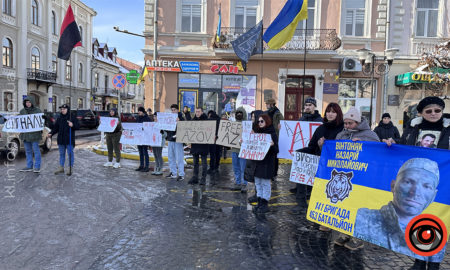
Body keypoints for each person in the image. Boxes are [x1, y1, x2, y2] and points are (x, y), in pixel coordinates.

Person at [384, 96, 449, 270]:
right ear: (421, 113)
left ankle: (434, 263)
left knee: (439, 221)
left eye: (437, 110)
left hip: (442, 181)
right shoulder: (413, 128)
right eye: (429, 111)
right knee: (419, 220)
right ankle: (418, 260)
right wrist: (392, 143)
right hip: (417, 181)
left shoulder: (449, 128)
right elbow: (404, 145)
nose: (434, 114)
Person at [354, 158, 444, 266]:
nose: (415, 192)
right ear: (393, 186)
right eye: (408, 182)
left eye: (426, 186)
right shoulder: (362, 218)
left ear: (433, 196)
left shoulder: (434, 233)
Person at [333, 106, 379, 250]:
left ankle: (358, 237)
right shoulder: (341, 135)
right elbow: (333, 153)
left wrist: (363, 146)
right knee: (346, 206)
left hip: (362, 178)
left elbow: (378, 154)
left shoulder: (370, 135)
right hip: (345, 177)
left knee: (359, 208)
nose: (347, 126)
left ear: (358, 123)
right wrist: (323, 145)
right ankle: (345, 232)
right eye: (345, 123)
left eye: (350, 123)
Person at [291, 103, 344, 215]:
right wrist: (299, 154)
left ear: (338, 114)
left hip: (334, 165)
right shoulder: (321, 128)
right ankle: (301, 203)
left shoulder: (343, 129)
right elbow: (311, 146)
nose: (330, 114)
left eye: (333, 112)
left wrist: (322, 146)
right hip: (318, 159)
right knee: (301, 156)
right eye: (328, 111)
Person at [290, 97, 324, 195]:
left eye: (310, 105)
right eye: (306, 105)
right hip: (303, 147)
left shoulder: (320, 120)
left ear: (314, 106)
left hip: (314, 148)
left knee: (311, 168)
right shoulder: (302, 118)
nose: (307, 107)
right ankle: (299, 187)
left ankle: (310, 189)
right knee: (301, 167)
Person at [250, 114, 279, 214]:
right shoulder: (257, 133)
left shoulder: (272, 134)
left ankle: (265, 203)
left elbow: (276, 150)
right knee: (258, 183)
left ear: (267, 121)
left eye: (262, 121)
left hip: (267, 163)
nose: (260, 123)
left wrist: (271, 145)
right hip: (257, 162)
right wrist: (244, 142)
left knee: (265, 183)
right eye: (258, 121)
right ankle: (259, 202)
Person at [48, 104, 80, 176]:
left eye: (64, 109)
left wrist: (73, 125)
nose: (62, 110)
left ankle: (70, 168)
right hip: (61, 139)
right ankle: (61, 168)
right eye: (61, 109)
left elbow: (78, 126)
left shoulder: (72, 117)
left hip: (69, 140)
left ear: (67, 109)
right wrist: (51, 133)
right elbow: (56, 128)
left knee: (70, 154)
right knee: (61, 154)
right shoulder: (59, 118)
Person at [19, 96, 42, 173]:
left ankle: (37, 167)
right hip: (25, 135)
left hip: (35, 135)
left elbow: (41, 122)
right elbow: (19, 122)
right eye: (26, 102)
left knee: (36, 151)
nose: (28, 104)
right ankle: (29, 166)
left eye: (29, 102)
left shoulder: (37, 111)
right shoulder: (22, 111)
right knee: (28, 151)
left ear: (32, 102)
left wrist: (44, 119)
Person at [188, 107, 209, 185]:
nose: (197, 113)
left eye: (199, 112)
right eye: (196, 111)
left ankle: (203, 178)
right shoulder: (193, 121)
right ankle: (195, 177)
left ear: (202, 112)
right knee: (195, 163)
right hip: (195, 145)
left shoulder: (207, 121)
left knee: (204, 163)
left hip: (203, 145)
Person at [265, 98, 284, 181]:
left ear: (271, 104)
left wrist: (278, 128)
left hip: (275, 136)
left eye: (267, 104)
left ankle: (274, 174)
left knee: (275, 156)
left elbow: (282, 125)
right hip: (267, 136)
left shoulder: (278, 114)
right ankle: (268, 172)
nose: (266, 105)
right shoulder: (266, 113)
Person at [166, 104, 185, 181]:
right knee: (171, 157)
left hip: (178, 140)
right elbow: (167, 128)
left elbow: (184, 127)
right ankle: (173, 172)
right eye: (172, 110)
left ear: (177, 110)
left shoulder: (181, 118)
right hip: (171, 139)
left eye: (174, 110)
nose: (173, 111)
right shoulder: (170, 118)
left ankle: (181, 174)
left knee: (179, 157)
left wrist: (179, 122)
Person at [231, 107, 248, 192]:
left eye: (240, 113)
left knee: (243, 168)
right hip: (234, 150)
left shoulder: (247, 125)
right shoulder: (232, 124)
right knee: (236, 167)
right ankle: (237, 183)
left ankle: (244, 183)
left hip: (243, 150)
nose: (238, 114)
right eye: (237, 113)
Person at [136, 107, 151, 172]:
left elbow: (150, 127)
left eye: (140, 111)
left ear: (143, 112)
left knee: (145, 152)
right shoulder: (138, 118)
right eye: (138, 111)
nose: (139, 112)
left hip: (145, 137)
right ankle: (141, 165)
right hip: (139, 137)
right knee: (140, 152)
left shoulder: (147, 118)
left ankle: (146, 166)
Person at [207, 110, 221, 174]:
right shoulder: (220, 120)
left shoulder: (210, 120)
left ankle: (212, 167)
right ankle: (217, 166)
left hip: (212, 139)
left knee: (212, 154)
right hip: (219, 140)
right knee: (218, 154)